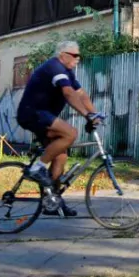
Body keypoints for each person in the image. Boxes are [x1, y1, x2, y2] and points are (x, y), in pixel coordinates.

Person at [15, 40, 103, 217]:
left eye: (79, 55)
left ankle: (52, 203)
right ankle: (37, 168)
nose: (78, 58)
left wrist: (96, 114)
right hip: (32, 113)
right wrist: (87, 115)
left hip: (43, 116)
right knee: (71, 133)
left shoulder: (67, 73)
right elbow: (68, 93)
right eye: (75, 55)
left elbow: (81, 94)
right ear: (63, 55)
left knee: (61, 156)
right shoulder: (54, 67)